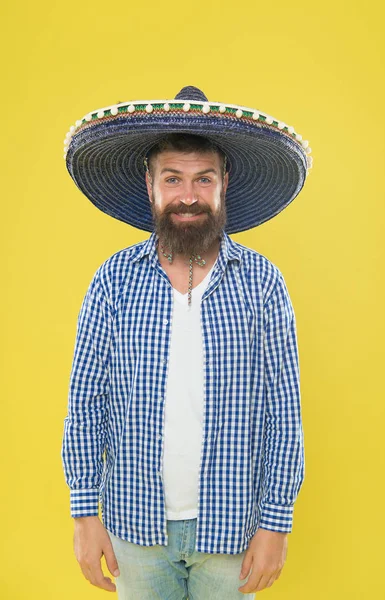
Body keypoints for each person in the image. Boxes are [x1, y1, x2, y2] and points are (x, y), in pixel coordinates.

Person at [61, 85, 312, 599]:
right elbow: (85, 403)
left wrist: (276, 523)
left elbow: (285, 412)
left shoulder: (263, 284)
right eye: (173, 179)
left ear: (225, 184)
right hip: (135, 528)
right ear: (149, 183)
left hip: (233, 530)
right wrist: (85, 514)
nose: (189, 195)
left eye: (204, 178)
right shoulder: (114, 280)